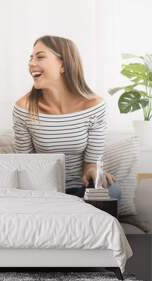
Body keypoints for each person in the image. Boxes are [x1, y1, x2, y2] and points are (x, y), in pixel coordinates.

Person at [13, 35, 120, 199]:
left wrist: (95, 172)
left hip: (81, 188)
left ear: (63, 65)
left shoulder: (94, 106)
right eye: (31, 58)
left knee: (112, 192)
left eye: (40, 57)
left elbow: (91, 163)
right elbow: (25, 163)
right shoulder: (23, 108)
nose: (31, 63)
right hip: (44, 190)